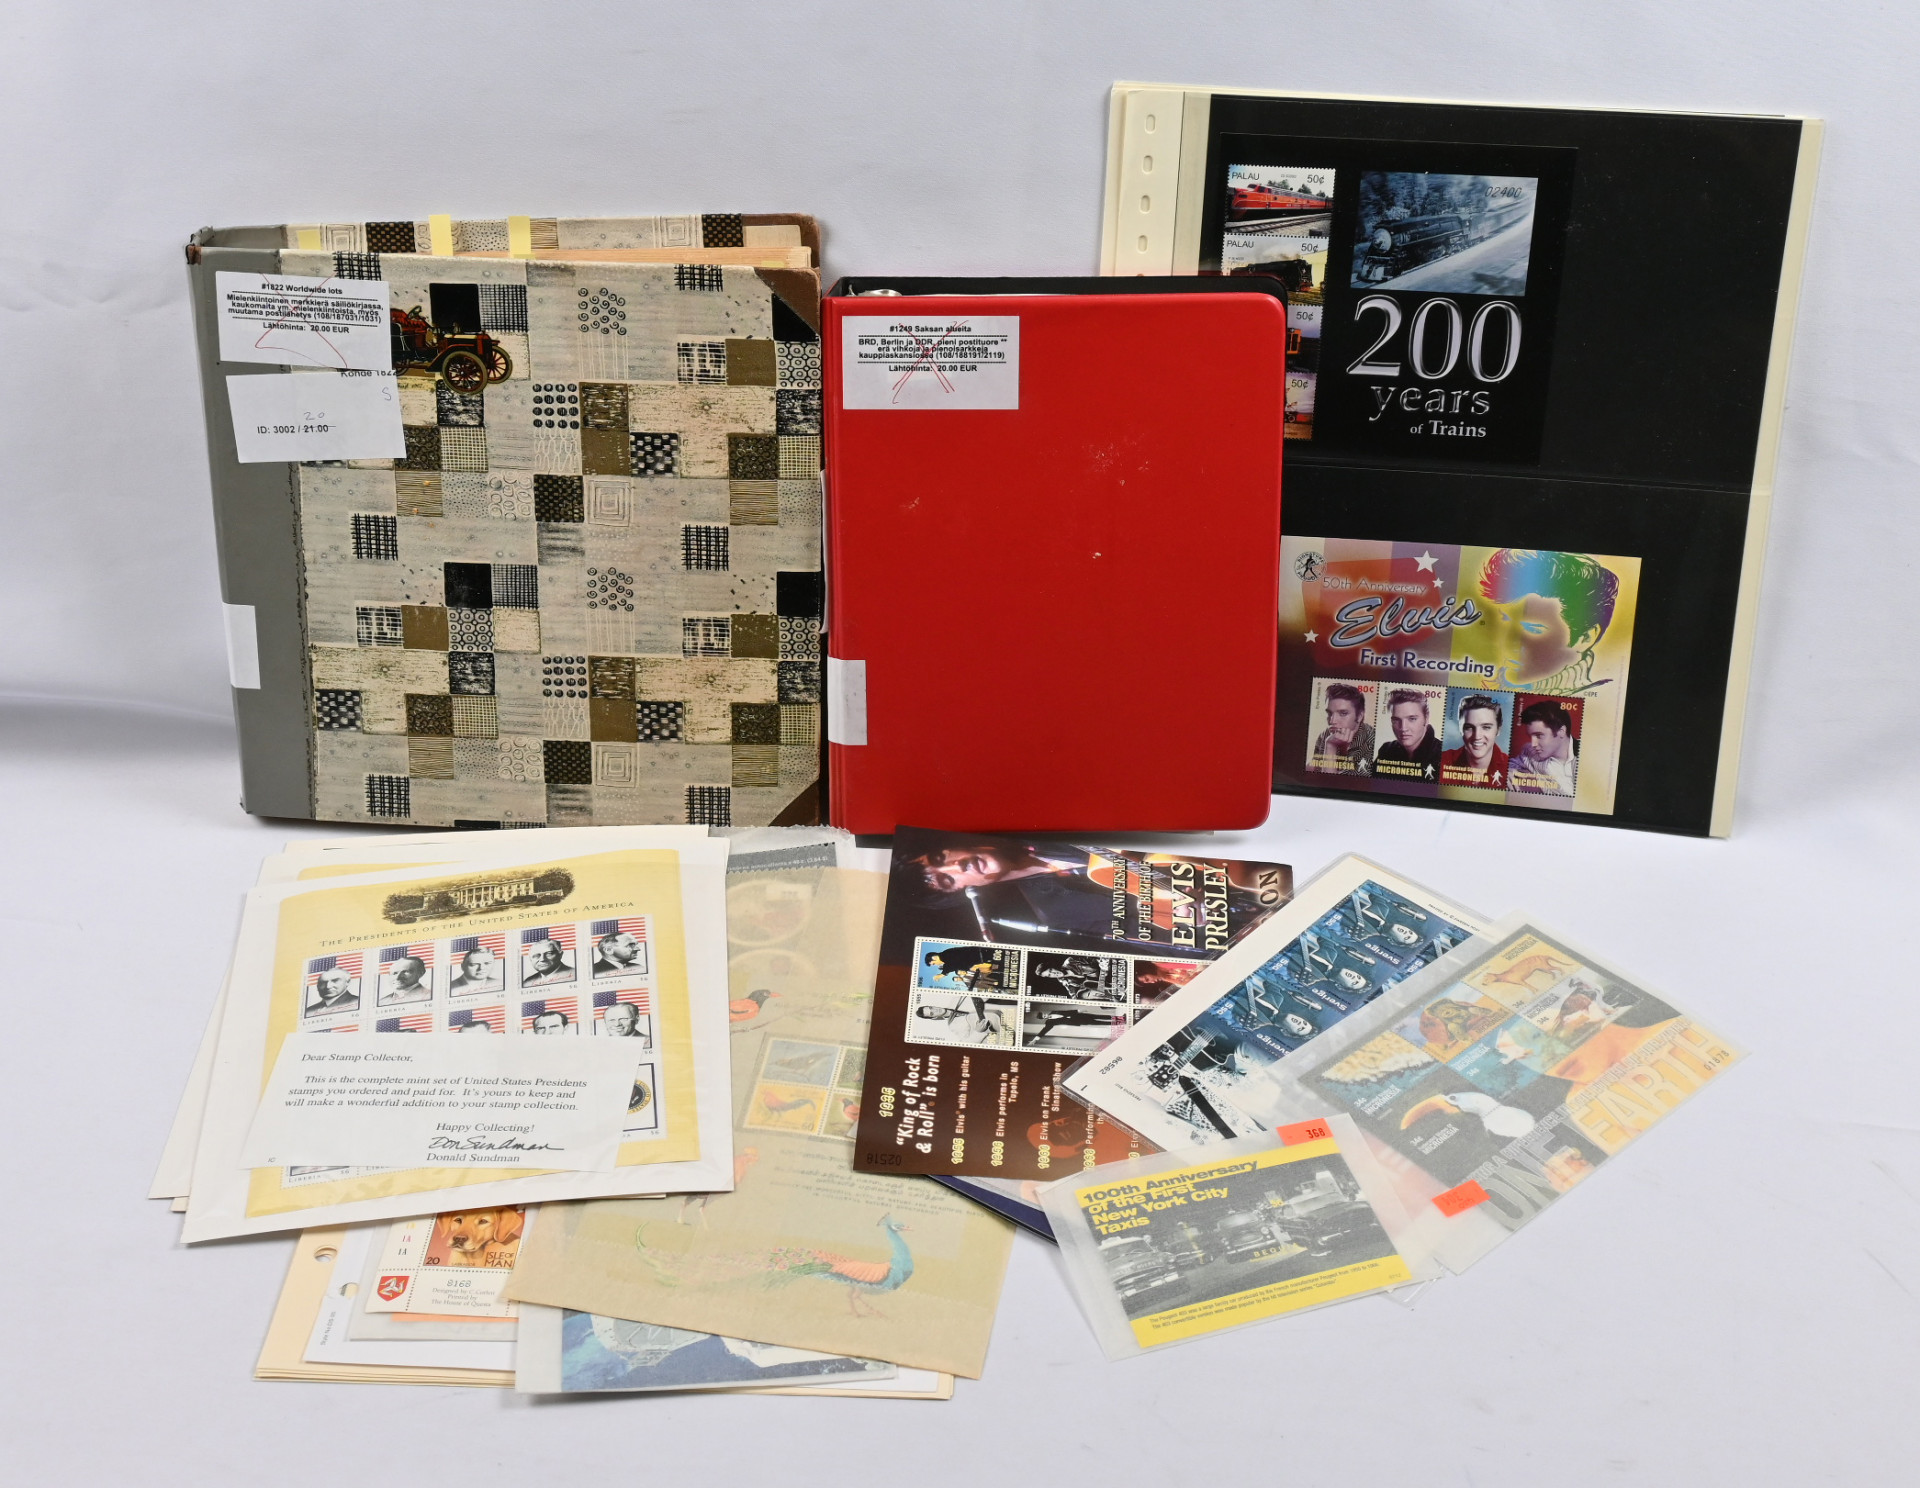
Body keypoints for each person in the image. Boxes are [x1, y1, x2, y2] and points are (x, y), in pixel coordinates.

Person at [1509, 698, 1578, 795]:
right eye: (1530, 736)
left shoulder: (1589, 754)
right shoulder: (1531, 754)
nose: (1533, 744)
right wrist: (1507, 772)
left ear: (1561, 731)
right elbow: (1511, 764)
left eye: (1539, 735)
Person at [1441, 694, 1511, 787]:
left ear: (1498, 730)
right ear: (1461, 729)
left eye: (1486, 727)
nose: (1477, 736)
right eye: (1469, 727)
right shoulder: (1442, 761)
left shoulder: (1511, 768)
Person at [1373, 690, 1442, 778]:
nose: (1403, 728)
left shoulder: (1443, 755)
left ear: (1426, 718)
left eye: (1412, 719)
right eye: (1396, 720)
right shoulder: (1386, 751)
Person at [1310, 682, 1374, 774]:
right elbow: (1314, 769)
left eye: (1343, 713)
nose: (1332, 721)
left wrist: (1331, 747)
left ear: (1359, 716)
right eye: (1329, 713)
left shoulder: (1372, 742)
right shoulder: (1325, 735)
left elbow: (1330, 782)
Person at [912, 997, 1008, 1042]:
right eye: (932, 1013)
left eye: (931, 1008)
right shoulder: (953, 1025)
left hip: (1005, 1008)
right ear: (933, 1017)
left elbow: (985, 995)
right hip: (1002, 1027)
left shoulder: (957, 999)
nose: (935, 1010)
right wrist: (978, 1032)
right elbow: (967, 1042)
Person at [923, 946, 1001, 990]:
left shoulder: (945, 955)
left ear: (934, 957)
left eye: (934, 963)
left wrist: (942, 974)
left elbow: (951, 965)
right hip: (982, 958)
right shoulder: (946, 957)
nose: (936, 965)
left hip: (983, 956)